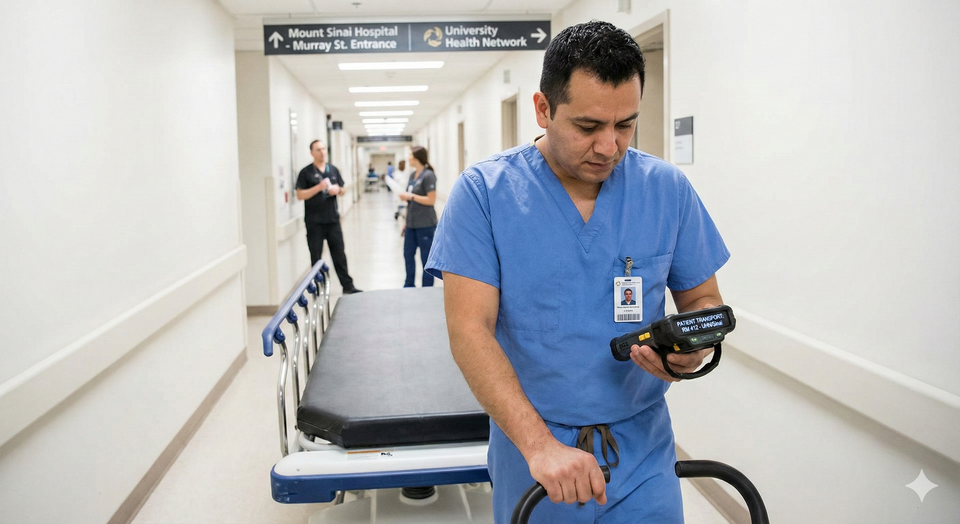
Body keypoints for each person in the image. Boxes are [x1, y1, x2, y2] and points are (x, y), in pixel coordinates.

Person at [425, 20, 729, 524]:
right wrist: (540, 447)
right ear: (543, 109)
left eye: (625, 125)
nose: (609, 146)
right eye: (588, 127)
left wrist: (689, 350)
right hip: (537, 453)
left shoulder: (666, 190)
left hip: (645, 447)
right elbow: (468, 332)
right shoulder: (484, 195)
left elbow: (703, 301)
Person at [296, 140, 362, 294]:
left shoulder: (333, 170)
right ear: (312, 153)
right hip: (314, 222)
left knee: (339, 254)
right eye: (318, 149)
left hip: (332, 220)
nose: (322, 152)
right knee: (316, 257)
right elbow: (300, 194)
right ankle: (318, 289)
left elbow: (343, 189)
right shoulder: (306, 173)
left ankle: (347, 285)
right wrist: (319, 188)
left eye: (324, 149)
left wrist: (338, 190)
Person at [399, 146, 438, 287]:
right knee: (408, 255)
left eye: (410, 155)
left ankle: (427, 288)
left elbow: (431, 200)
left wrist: (411, 196)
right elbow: (410, 203)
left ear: (416, 157)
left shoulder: (428, 175)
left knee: (426, 258)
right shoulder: (412, 175)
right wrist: (406, 222)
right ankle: (409, 285)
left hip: (425, 224)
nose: (408, 158)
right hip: (411, 225)